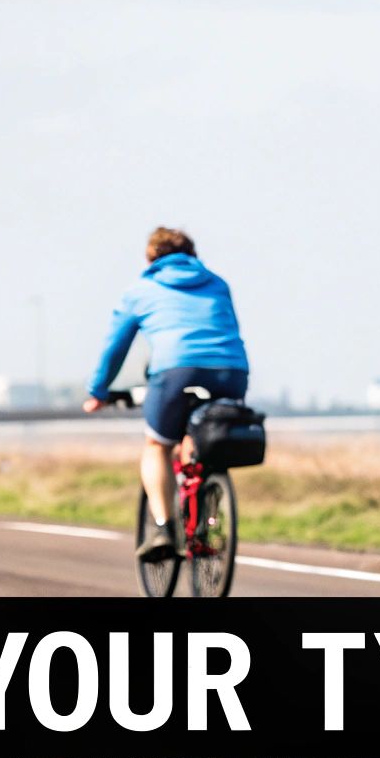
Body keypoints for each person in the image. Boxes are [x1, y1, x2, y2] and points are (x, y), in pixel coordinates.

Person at [84, 226, 250, 561]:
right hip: (232, 370)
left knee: (157, 445)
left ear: (150, 258)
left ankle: (163, 528)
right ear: (193, 254)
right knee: (200, 437)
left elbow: (114, 348)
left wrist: (97, 392)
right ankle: (202, 505)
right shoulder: (218, 284)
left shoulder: (142, 289)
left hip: (176, 370)